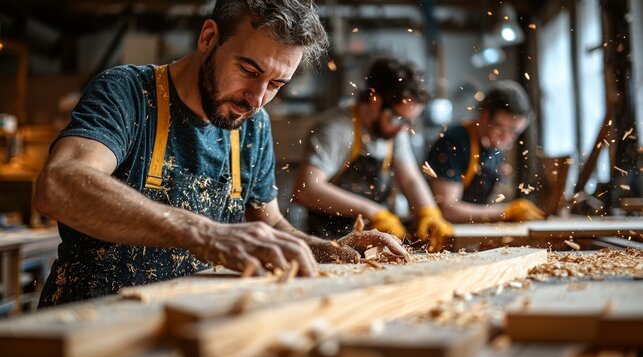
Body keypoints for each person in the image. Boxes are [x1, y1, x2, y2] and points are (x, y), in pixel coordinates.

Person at [33, 0, 409, 307]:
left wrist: (331, 251)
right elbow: (59, 183)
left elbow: (271, 225)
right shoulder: (129, 93)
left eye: (277, 84)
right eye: (248, 70)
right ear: (209, 37)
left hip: (184, 323)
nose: (257, 98)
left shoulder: (252, 124)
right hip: (91, 323)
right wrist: (205, 234)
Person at [293, 57, 452, 251]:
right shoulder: (336, 129)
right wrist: (374, 213)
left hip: (375, 246)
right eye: (399, 118)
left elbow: (410, 179)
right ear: (375, 99)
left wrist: (429, 212)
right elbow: (306, 189)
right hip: (331, 245)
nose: (404, 129)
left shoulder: (394, 131)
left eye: (409, 122)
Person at [425, 80, 545, 223]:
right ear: (485, 116)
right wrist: (506, 212)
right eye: (501, 129)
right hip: (444, 232)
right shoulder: (454, 142)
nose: (507, 138)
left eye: (514, 132)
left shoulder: (495, 146)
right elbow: (448, 209)